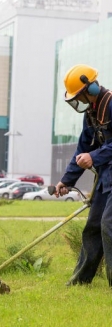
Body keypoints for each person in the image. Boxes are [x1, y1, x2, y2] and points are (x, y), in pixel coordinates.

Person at [55, 64, 112, 287]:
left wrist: (95, 156)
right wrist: (66, 181)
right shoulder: (91, 113)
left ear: (93, 88)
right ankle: (81, 281)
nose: (78, 102)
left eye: (79, 96)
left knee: (109, 225)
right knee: (93, 226)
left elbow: (92, 154)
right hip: (106, 177)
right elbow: (82, 150)